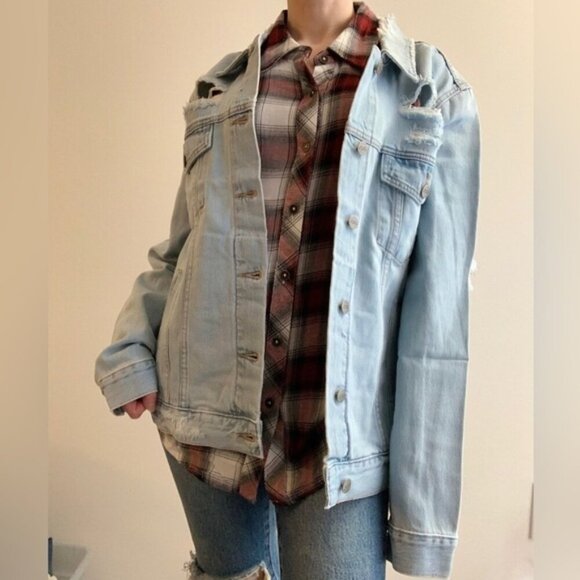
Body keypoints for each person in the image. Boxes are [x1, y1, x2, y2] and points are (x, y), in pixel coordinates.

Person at [94, 1, 481, 579]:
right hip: (208, 412)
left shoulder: (429, 94)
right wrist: (131, 347)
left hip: (334, 443)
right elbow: (184, 247)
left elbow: (440, 318)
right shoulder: (223, 87)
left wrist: (422, 519)